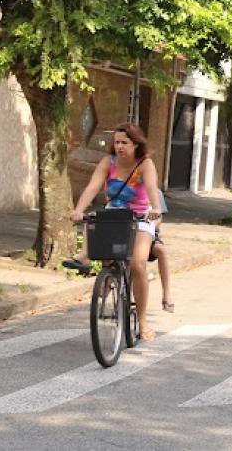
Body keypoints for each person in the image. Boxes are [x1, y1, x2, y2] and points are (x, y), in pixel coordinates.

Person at [66, 123, 172, 340]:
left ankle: (142, 322)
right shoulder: (108, 162)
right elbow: (93, 187)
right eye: (116, 142)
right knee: (93, 220)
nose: (120, 146)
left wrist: (155, 208)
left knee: (137, 264)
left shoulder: (145, 163)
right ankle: (90, 261)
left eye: (125, 142)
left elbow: (152, 189)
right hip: (114, 214)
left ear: (135, 144)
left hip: (140, 217)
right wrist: (78, 210)